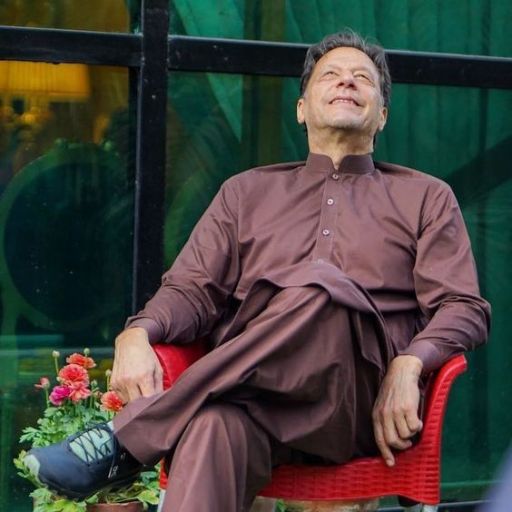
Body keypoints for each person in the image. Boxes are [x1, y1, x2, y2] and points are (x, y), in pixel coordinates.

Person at [24, 30, 490, 511]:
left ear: (383, 117)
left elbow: (464, 306)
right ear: (302, 110)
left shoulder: (425, 197)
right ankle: (154, 430)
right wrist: (137, 333)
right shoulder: (245, 193)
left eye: (362, 80)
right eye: (331, 75)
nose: (346, 83)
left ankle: (125, 442)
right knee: (211, 426)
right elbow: (191, 290)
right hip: (249, 405)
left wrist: (410, 363)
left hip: (355, 407)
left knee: (319, 287)